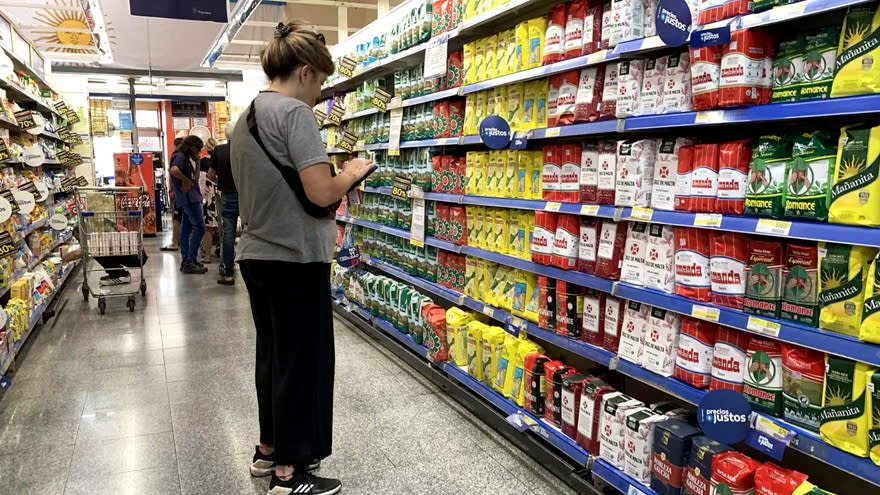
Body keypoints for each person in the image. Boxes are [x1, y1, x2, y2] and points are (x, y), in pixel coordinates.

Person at [230, 20, 375, 495]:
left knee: (272, 355)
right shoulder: (294, 115)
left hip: (256, 254)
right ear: (306, 73)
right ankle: (291, 474)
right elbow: (318, 192)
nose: (319, 95)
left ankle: (267, 450)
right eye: (322, 83)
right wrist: (352, 173)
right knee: (300, 363)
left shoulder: (245, 116)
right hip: (295, 256)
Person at [169, 135, 207, 274]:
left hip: (190, 197)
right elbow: (173, 170)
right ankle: (190, 260)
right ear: (191, 146)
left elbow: (195, 179)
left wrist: (197, 163)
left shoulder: (186, 158)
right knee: (200, 228)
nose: (198, 152)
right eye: (197, 149)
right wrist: (184, 180)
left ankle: (187, 260)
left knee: (186, 229)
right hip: (189, 198)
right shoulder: (179, 155)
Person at [209, 122, 237, 285]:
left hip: (227, 196)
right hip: (247, 196)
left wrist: (221, 182)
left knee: (228, 235)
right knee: (251, 234)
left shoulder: (219, 151)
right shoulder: (245, 149)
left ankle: (228, 273)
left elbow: (211, 175)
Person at [162, 137, 185, 251]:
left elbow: (172, 173)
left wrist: (171, 190)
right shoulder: (185, 157)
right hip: (185, 193)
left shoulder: (177, 156)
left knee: (176, 218)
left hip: (178, 193)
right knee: (183, 217)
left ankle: (175, 242)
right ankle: (181, 240)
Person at [199, 137, 219, 264]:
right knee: (222, 226)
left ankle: (206, 256)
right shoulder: (221, 160)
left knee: (208, 227)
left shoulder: (202, 162)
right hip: (220, 195)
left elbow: (201, 182)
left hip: (207, 197)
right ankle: (222, 249)